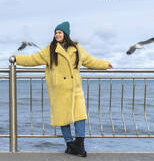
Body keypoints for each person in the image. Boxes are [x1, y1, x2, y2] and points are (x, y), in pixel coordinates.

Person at [12, 21, 113, 157]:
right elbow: (33, 59)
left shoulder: (77, 49)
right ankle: (70, 144)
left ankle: (79, 144)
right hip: (59, 90)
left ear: (66, 34)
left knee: (80, 116)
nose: (57, 35)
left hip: (75, 89)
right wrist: (16, 58)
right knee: (63, 118)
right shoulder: (50, 49)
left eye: (59, 32)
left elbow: (90, 60)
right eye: (56, 33)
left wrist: (105, 64)